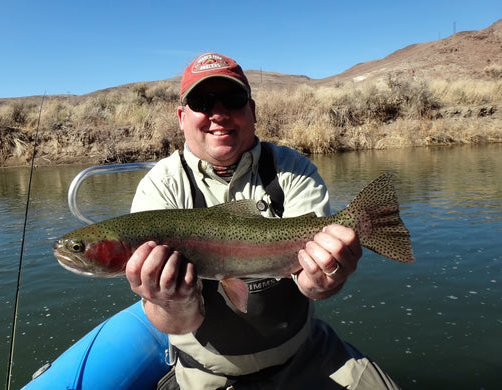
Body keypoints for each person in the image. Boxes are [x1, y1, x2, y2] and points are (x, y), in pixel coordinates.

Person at [126, 52, 400, 389]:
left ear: (252, 111)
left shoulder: (291, 168)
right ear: (182, 117)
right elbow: (175, 324)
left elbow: (314, 286)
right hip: (208, 374)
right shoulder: (160, 187)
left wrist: (324, 281)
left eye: (233, 99)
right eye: (202, 101)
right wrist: (169, 299)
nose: (219, 113)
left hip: (306, 354)